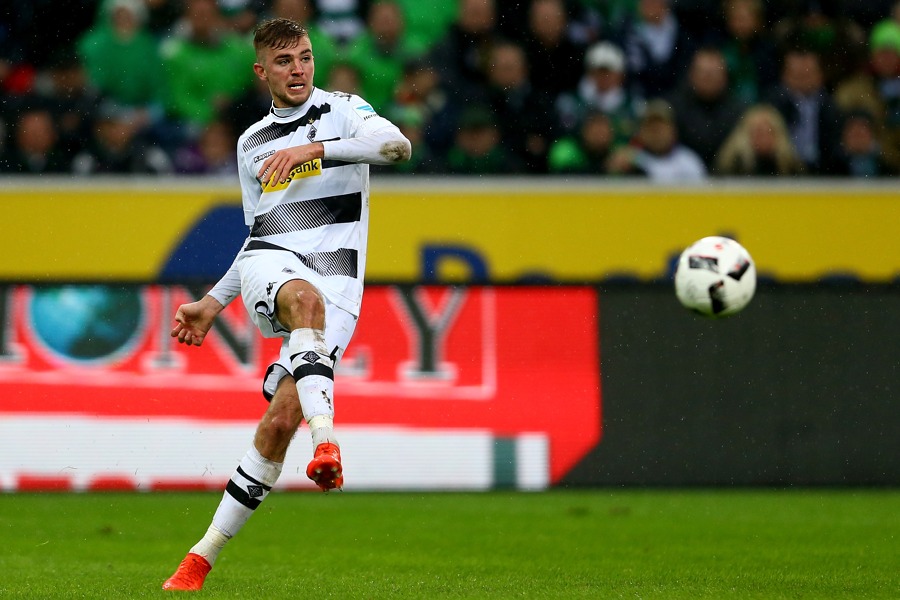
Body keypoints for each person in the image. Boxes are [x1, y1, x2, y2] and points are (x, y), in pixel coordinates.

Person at [161, 18, 411, 591]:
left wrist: (315, 151)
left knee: (277, 423)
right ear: (261, 71)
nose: (297, 69)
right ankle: (328, 441)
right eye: (283, 62)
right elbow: (259, 232)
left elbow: (398, 147)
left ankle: (201, 556)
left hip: (340, 279)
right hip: (275, 265)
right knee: (301, 301)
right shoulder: (251, 143)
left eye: (304, 58)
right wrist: (216, 300)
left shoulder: (345, 109)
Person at [714, 103, 805, 176]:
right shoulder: (731, 166)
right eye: (758, 132)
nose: (764, 138)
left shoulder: (792, 166)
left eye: (769, 132)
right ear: (745, 135)